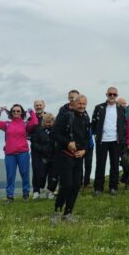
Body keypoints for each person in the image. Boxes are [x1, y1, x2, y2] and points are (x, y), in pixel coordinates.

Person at [52, 95, 91, 223]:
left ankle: (68, 213)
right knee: (66, 185)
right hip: (65, 155)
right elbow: (54, 133)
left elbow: (86, 138)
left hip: (79, 156)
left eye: (84, 104)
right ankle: (57, 211)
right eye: (79, 103)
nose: (82, 106)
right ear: (74, 104)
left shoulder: (86, 117)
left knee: (76, 185)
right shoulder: (66, 116)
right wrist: (67, 143)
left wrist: (84, 150)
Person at [0, 104, 38, 204]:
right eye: (14, 111)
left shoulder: (25, 124)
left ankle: (26, 194)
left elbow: (35, 122)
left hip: (23, 152)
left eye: (18, 111)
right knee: (10, 175)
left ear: (21, 112)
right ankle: (10, 197)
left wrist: (31, 111)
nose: (16, 113)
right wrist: (0, 110)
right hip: (10, 154)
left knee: (25, 173)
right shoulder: (7, 124)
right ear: (11, 112)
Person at [90, 87, 127, 196]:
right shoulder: (99, 108)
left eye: (114, 95)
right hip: (102, 140)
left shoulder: (121, 109)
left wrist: (122, 139)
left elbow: (123, 125)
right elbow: (94, 123)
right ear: (106, 94)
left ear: (117, 96)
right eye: (110, 94)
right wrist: (97, 135)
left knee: (115, 165)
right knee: (100, 164)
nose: (112, 96)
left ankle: (113, 187)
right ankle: (98, 188)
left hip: (116, 140)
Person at [31, 113, 57, 199]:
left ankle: (51, 191)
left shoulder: (56, 131)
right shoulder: (38, 131)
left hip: (53, 156)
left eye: (50, 122)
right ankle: (36, 191)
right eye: (47, 122)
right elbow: (34, 143)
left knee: (53, 175)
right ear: (43, 122)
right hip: (41, 156)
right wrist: (42, 149)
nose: (48, 124)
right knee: (40, 175)